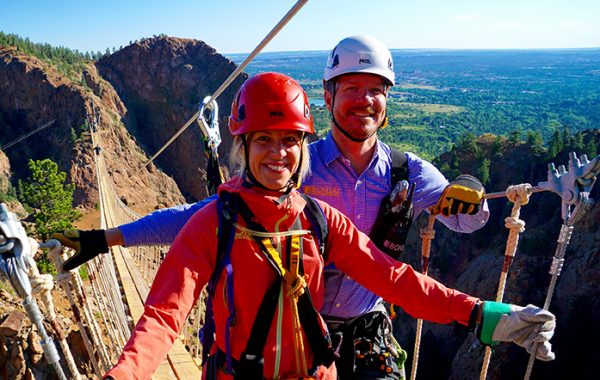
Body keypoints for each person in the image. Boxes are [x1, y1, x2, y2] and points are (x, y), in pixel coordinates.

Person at [56, 36, 492, 378]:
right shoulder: (281, 184)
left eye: (376, 90)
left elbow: (424, 255)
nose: (364, 99)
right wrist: (105, 237)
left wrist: (467, 199)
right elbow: (179, 257)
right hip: (294, 332)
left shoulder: (404, 176)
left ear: (387, 100)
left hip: (351, 333)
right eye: (352, 88)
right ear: (328, 95)